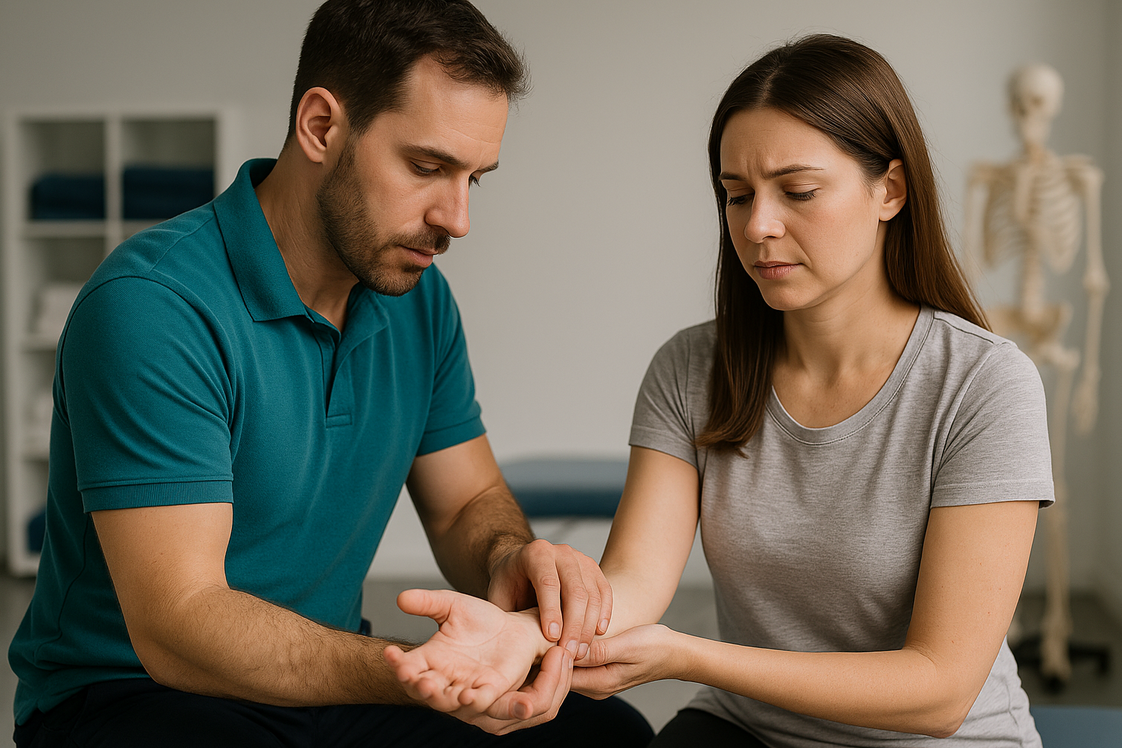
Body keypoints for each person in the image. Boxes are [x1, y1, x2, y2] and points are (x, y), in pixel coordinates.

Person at [7, 1, 654, 746]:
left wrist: (513, 556)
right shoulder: (154, 307)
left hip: (320, 684)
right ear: (321, 126)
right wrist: (422, 673)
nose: (458, 218)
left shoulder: (416, 299)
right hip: (131, 693)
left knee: (609, 737)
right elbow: (180, 624)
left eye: (477, 178)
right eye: (428, 166)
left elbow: (463, 500)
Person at [385, 34, 1053, 747]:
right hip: (750, 729)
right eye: (738, 196)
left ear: (889, 190)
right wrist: (520, 635)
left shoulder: (984, 385)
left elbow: (940, 690)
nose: (759, 226)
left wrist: (690, 656)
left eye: (798, 191)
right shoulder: (692, 369)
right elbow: (634, 583)